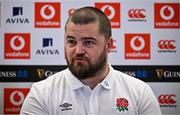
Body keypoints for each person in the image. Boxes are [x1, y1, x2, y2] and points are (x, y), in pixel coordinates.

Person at [20, 6, 162, 115]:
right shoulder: (41, 93)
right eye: (71, 41)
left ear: (109, 45)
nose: (78, 51)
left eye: (88, 42)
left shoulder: (139, 92)